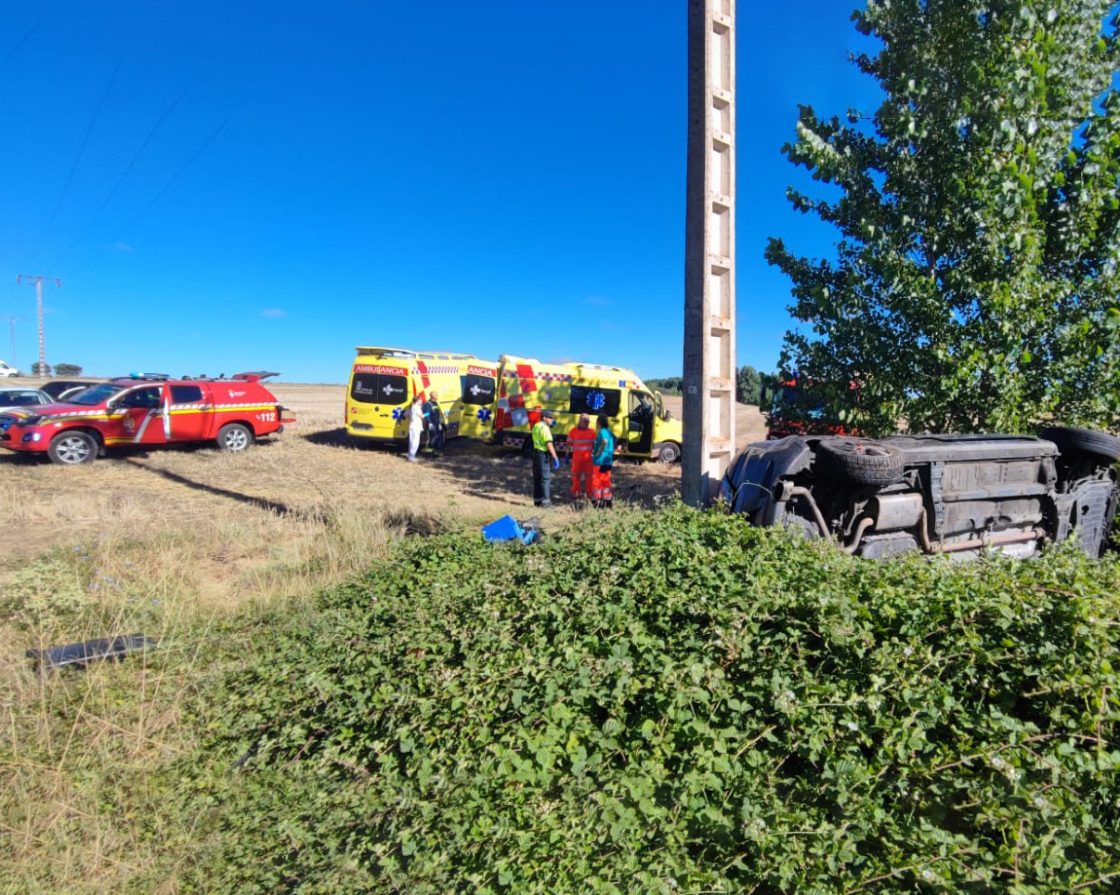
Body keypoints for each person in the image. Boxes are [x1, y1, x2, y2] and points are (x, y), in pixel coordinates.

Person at [530, 408, 560, 507]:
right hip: (543, 455)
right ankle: (546, 503)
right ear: (544, 418)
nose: (552, 419)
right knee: (545, 478)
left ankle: (537, 501)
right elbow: (549, 443)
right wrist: (555, 457)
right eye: (550, 418)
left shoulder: (536, 426)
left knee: (537, 478)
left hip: (535, 454)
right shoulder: (545, 428)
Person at [566, 413, 596, 503]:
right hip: (577, 460)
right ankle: (576, 493)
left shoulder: (592, 432)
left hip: (588, 460)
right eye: (585, 421)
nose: (586, 423)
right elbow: (568, 444)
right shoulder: (573, 431)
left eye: (587, 421)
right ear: (580, 421)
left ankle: (589, 494)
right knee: (576, 477)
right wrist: (567, 454)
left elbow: (595, 445)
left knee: (589, 478)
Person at [590, 414, 615, 509]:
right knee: (606, 481)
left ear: (599, 423)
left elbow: (604, 441)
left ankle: (597, 502)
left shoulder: (602, 431)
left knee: (597, 481)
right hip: (608, 461)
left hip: (600, 461)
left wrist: (598, 452)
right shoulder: (609, 431)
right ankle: (607, 501)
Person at [424, 390, 445, 455]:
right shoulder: (428, 404)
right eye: (436, 395)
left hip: (436, 424)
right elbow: (426, 414)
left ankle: (436, 452)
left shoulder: (435, 403)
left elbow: (437, 413)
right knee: (431, 439)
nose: (437, 396)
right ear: (433, 396)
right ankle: (429, 454)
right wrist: (429, 423)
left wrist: (439, 423)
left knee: (437, 438)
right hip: (431, 424)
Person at [406, 393, 425, 462]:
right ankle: (412, 456)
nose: (421, 401)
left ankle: (410, 455)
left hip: (412, 425)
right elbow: (421, 416)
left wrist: (411, 418)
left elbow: (406, 414)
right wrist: (428, 414)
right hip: (416, 426)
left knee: (411, 441)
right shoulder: (417, 407)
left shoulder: (411, 407)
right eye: (420, 400)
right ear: (417, 401)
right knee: (415, 441)